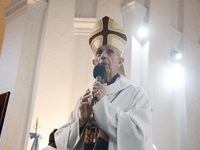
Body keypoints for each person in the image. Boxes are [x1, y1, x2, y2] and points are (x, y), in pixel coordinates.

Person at [55, 16, 153, 150]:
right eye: (99, 52)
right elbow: (60, 141)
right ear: (94, 62)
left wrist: (103, 104)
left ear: (120, 62)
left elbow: (138, 137)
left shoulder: (135, 94)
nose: (103, 55)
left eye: (110, 51)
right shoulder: (84, 100)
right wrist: (81, 122)